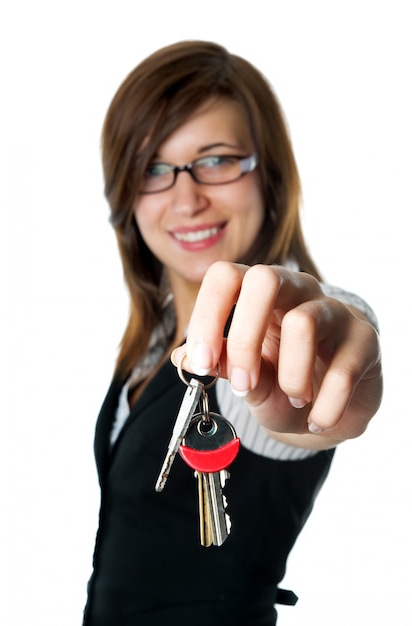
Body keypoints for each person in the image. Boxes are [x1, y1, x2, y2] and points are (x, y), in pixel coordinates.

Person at [82, 40, 383, 626]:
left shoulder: (272, 339)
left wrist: (325, 363)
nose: (187, 197)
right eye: (152, 169)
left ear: (267, 175)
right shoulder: (151, 347)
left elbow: (303, 381)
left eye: (216, 160)